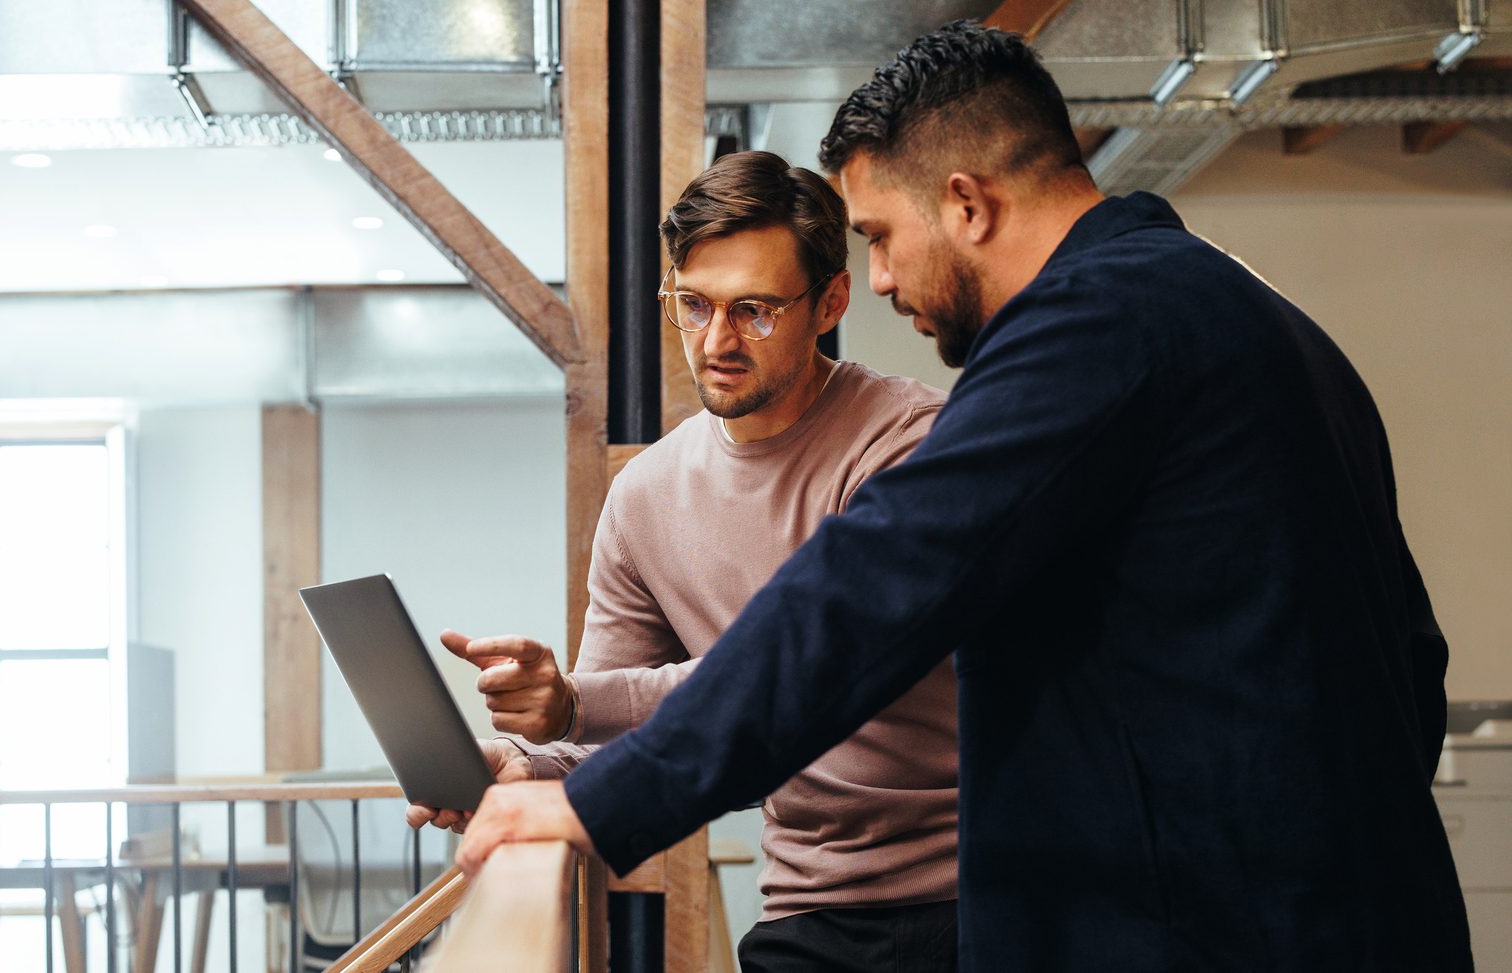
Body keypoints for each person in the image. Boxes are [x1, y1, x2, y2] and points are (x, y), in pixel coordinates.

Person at [455, 20, 1472, 972]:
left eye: (882, 234)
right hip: (1354, 916)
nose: (880, 278)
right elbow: (1410, 659)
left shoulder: (1092, 328)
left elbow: (873, 590)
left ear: (967, 204)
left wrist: (599, 804)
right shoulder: (1256, 317)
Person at [409, 149, 960, 971]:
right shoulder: (646, 495)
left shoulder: (907, 447)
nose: (716, 340)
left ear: (830, 302)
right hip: (810, 902)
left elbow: (801, 679)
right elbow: (612, 729)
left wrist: (574, 705)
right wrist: (532, 764)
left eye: (754, 311)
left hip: (970, 893)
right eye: (693, 304)